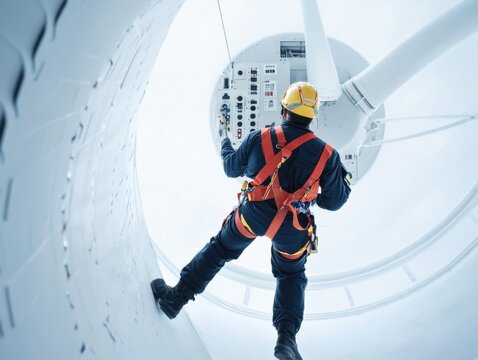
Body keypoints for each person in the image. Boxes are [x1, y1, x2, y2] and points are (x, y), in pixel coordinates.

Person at [151, 81, 351, 360]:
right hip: (293, 227)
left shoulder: (261, 137)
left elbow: (230, 167)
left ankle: (176, 299)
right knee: (291, 274)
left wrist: (224, 141)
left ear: (284, 109)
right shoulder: (328, 155)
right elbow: (334, 201)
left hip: (253, 214)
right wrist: (310, 195)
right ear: (312, 116)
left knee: (220, 249)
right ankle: (286, 340)